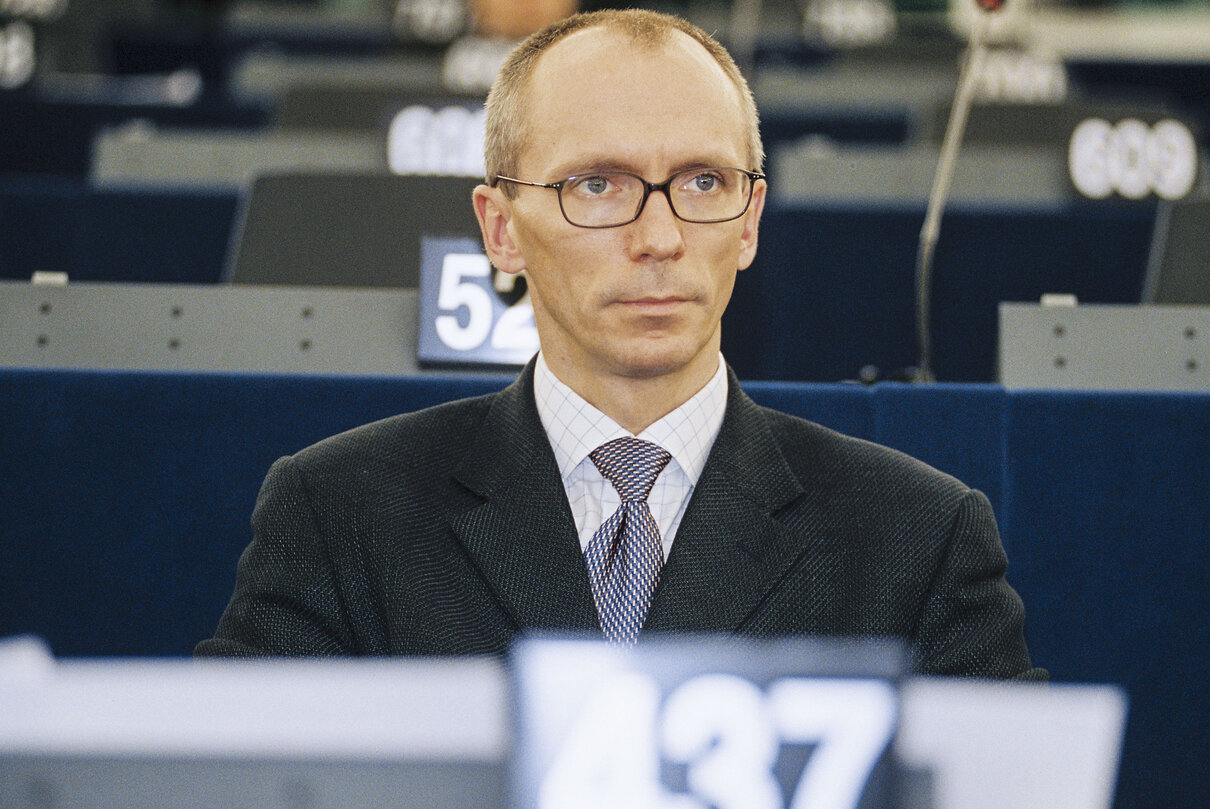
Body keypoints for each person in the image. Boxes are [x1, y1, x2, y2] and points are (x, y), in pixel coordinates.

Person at [197, 9, 1044, 680]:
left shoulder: (918, 536)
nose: (659, 236)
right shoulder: (340, 512)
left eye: (702, 182)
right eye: (597, 185)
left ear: (749, 221)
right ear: (501, 230)